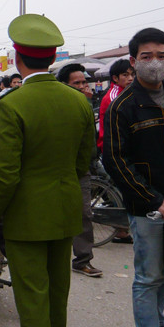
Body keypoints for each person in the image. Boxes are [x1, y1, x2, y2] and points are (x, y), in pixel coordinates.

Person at [0, 14, 94, 327]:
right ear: (52, 58)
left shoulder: (13, 103)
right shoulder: (78, 101)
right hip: (65, 210)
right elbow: (84, 161)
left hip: (27, 216)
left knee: (32, 299)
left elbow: (5, 173)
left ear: (17, 57)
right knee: (57, 294)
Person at [103, 27, 164, 327]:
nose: (155, 63)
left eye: (162, 55)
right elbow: (115, 160)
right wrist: (153, 199)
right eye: (147, 57)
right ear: (133, 61)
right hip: (148, 207)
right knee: (149, 275)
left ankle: (157, 325)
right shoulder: (123, 107)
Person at [56, 62, 103, 278]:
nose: (83, 86)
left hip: (81, 170)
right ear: (64, 85)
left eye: (84, 82)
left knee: (84, 214)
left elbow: (90, 141)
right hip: (56, 169)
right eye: (77, 83)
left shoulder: (87, 105)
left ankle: (83, 260)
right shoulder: (58, 106)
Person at [96, 58, 133, 153]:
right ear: (115, 78)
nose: (130, 78)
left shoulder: (128, 92)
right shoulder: (113, 97)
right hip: (114, 148)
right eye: (125, 75)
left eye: (132, 74)